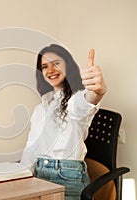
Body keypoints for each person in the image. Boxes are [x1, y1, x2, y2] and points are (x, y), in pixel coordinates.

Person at [20, 44, 107, 200]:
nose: (50, 70)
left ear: (68, 65)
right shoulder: (40, 107)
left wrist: (96, 91)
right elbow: (31, 147)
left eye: (56, 63)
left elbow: (84, 105)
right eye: (45, 66)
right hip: (39, 174)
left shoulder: (75, 99)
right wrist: (21, 176)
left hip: (67, 176)